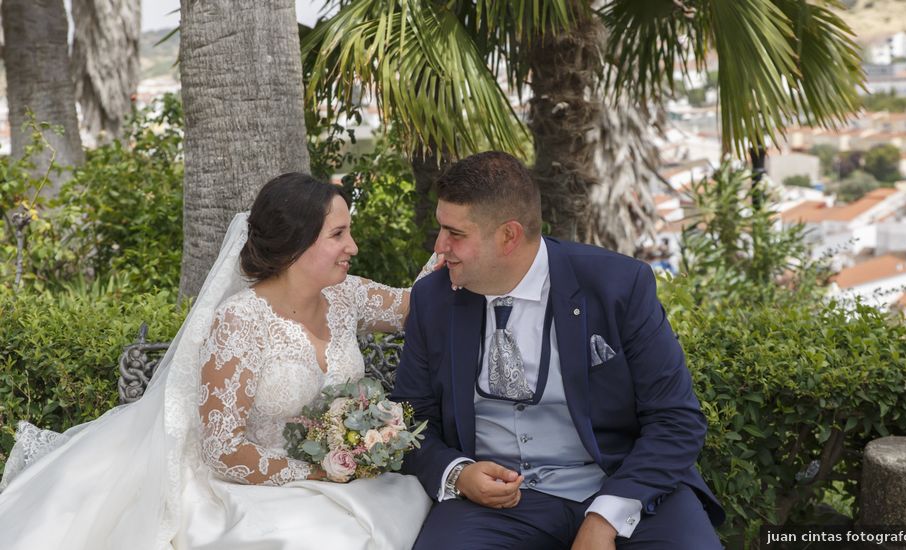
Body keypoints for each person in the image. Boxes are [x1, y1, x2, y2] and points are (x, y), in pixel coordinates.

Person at [0, 172, 433, 549]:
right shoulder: (239, 320)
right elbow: (224, 449)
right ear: (295, 243)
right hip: (252, 487)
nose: (352, 247)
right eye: (338, 235)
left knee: (411, 509)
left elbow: (421, 305)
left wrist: (454, 246)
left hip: (338, 482)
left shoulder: (347, 297)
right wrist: (321, 470)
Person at [391, 151, 725, 549]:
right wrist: (458, 473)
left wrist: (605, 517)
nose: (440, 246)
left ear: (508, 236)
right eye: (441, 229)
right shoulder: (434, 298)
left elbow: (676, 419)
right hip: (494, 507)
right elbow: (411, 421)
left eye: (455, 234)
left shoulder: (618, 285)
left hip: (619, 484)